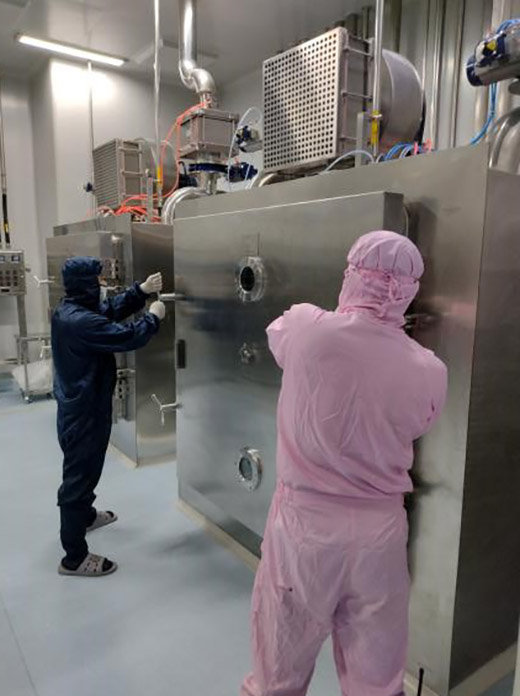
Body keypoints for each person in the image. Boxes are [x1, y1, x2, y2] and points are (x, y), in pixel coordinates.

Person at [241, 230, 448, 696]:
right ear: (409, 290)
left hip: (304, 529)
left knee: (280, 658)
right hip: (380, 536)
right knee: (377, 672)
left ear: (353, 274)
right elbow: (419, 424)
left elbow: (278, 343)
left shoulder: (303, 326)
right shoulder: (429, 369)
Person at [52, 257, 166, 578]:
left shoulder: (71, 310)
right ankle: (74, 558)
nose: (102, 284)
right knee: (78, 479)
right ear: (86, 284)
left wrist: (140, 291)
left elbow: (107, 311)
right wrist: (153, 318)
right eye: (98, 280)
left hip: (84, 405)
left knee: (88, 469)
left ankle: (85, 516)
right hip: (84, 413)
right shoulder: (80, 322)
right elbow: (126, 336)